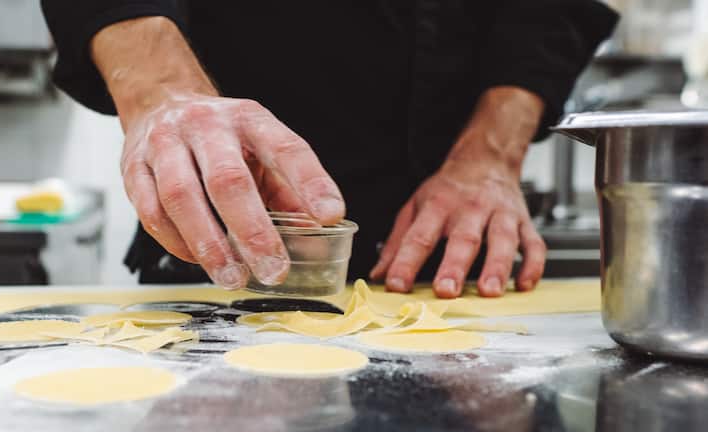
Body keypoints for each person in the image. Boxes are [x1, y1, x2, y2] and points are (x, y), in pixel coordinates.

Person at [41, 1, 618, 298]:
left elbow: (551, 10)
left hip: (455, 251)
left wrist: (490, 158)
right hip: (226, 241)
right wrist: (164, 93)